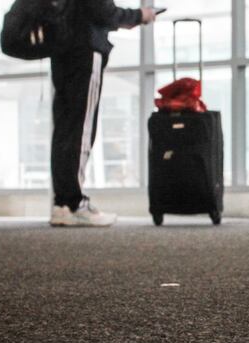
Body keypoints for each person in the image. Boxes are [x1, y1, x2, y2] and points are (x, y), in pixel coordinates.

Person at [49, 1, 156, 227]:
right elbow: (102, 11)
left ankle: (62, 204)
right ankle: (75, 203)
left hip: (61, 50)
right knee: (81, 127)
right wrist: (139, 15)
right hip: (84, 50)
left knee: (64, 128)